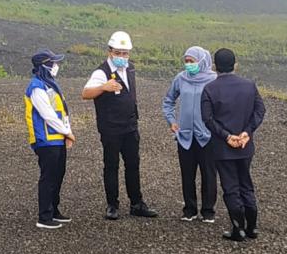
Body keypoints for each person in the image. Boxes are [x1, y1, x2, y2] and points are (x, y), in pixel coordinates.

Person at [82, 31, 158, 220]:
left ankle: (137, 203)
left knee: (133, 165)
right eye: (118, 53)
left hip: (130, 126)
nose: (122, 57)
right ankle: (112, 205)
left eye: (125, 53)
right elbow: (85, 93)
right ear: (110, 52)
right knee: (111, 165)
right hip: (111, 128)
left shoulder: (130, 69)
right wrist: (103, 88)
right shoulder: (101, 72)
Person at [201, 48, 266, 241]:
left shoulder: (210, 89)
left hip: (223, 148)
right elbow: (260, 110)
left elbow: (207, 119)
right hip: (246, 146)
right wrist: (247, 132)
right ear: (235, 65)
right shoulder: (249, 85)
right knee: (246, 184)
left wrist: (227, 137)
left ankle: (238, 229)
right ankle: (252, 227)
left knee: (230, 188)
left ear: (214, 66)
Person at [162, 46, 218, 223]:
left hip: (207, 136)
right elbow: (168, 101)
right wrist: (172, 121)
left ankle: (208, 210)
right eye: (186, 61)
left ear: (202, 61)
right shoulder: (181, 78)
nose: (188, 65)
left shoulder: (213, 80)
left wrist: (218, 128)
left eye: (192, 61)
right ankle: (190, 209)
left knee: (209, 174)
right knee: (187, 174)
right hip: (185, 136)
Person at [25, 49, 76, 230]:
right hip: (45, 140)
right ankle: (44, 216)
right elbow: (47, 114)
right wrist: (67, 132)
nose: (56, 66)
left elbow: (62, 113)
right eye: (53, 63)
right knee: (48, 177)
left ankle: (54, 210)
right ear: (44, 66)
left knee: (58, 175)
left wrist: (66, 133)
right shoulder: (37, 87)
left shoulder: (51, 85)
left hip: (57, 139)